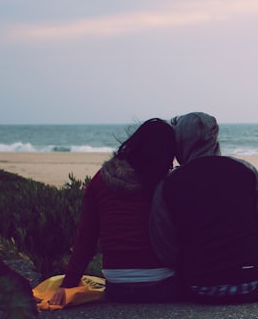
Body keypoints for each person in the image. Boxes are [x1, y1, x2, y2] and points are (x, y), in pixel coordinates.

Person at [150, 111, 258, 304]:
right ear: (214, 138)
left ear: (179, 142)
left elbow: (163, 246)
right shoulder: (245, 170)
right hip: (250, 283)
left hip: (196, 286)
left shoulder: (168, 183)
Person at [51, 118, 179, 305]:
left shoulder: (101, 179)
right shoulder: (166, 183)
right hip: (162, 285)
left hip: (118, 286)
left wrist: (68, 284)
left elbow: (86, 237)